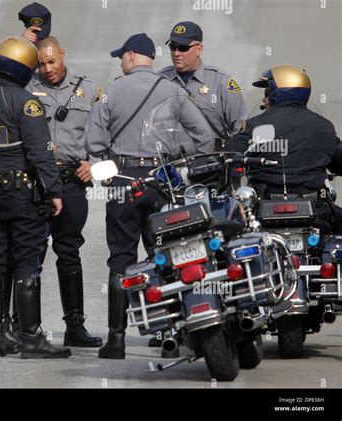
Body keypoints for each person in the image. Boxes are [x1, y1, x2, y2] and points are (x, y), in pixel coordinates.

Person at [85, 33, 214, 359]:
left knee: (121, 260)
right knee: (167, 257)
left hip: (123, 181)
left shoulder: (110, 90)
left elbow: (94, 142)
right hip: (162, 182)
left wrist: (109, 167)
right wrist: (184, 167)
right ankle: (168, 336)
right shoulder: (174, 90)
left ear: (130, 56)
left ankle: (116, 340)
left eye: (121, 57)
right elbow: (204, 137)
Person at [0, 36, 71, 359]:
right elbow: (40, 153)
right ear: (23, 69)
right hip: (22, 194)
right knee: (26, 260)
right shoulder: (27, 102)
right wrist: (54, 191)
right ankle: (30, 338)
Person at [26, 36, 102, 347]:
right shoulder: (25, 89)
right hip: (38, 183)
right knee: (31, 253)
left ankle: (75, 326)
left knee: (69, 252)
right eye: (42, 64)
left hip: (72, 182)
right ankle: (27, 328)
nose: (48, 69)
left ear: (63, 55)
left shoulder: (91, 90)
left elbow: (104, 131)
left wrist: (95, 162)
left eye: (52, 61)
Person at [225, 65, 342, 230]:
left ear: (278, 93)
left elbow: (227, 158)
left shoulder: (255, 126)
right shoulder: (324, 127)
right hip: (315, 212)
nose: (264, 99)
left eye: (266, 92)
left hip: (264, 212)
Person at [158, 21, 247, 148]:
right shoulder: (160, 80)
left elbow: (240, 129)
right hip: (170, 162)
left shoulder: (221, 82)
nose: (176, 53)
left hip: (210, 162)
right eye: (173, 46)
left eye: (183, 48)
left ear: (199, 49)